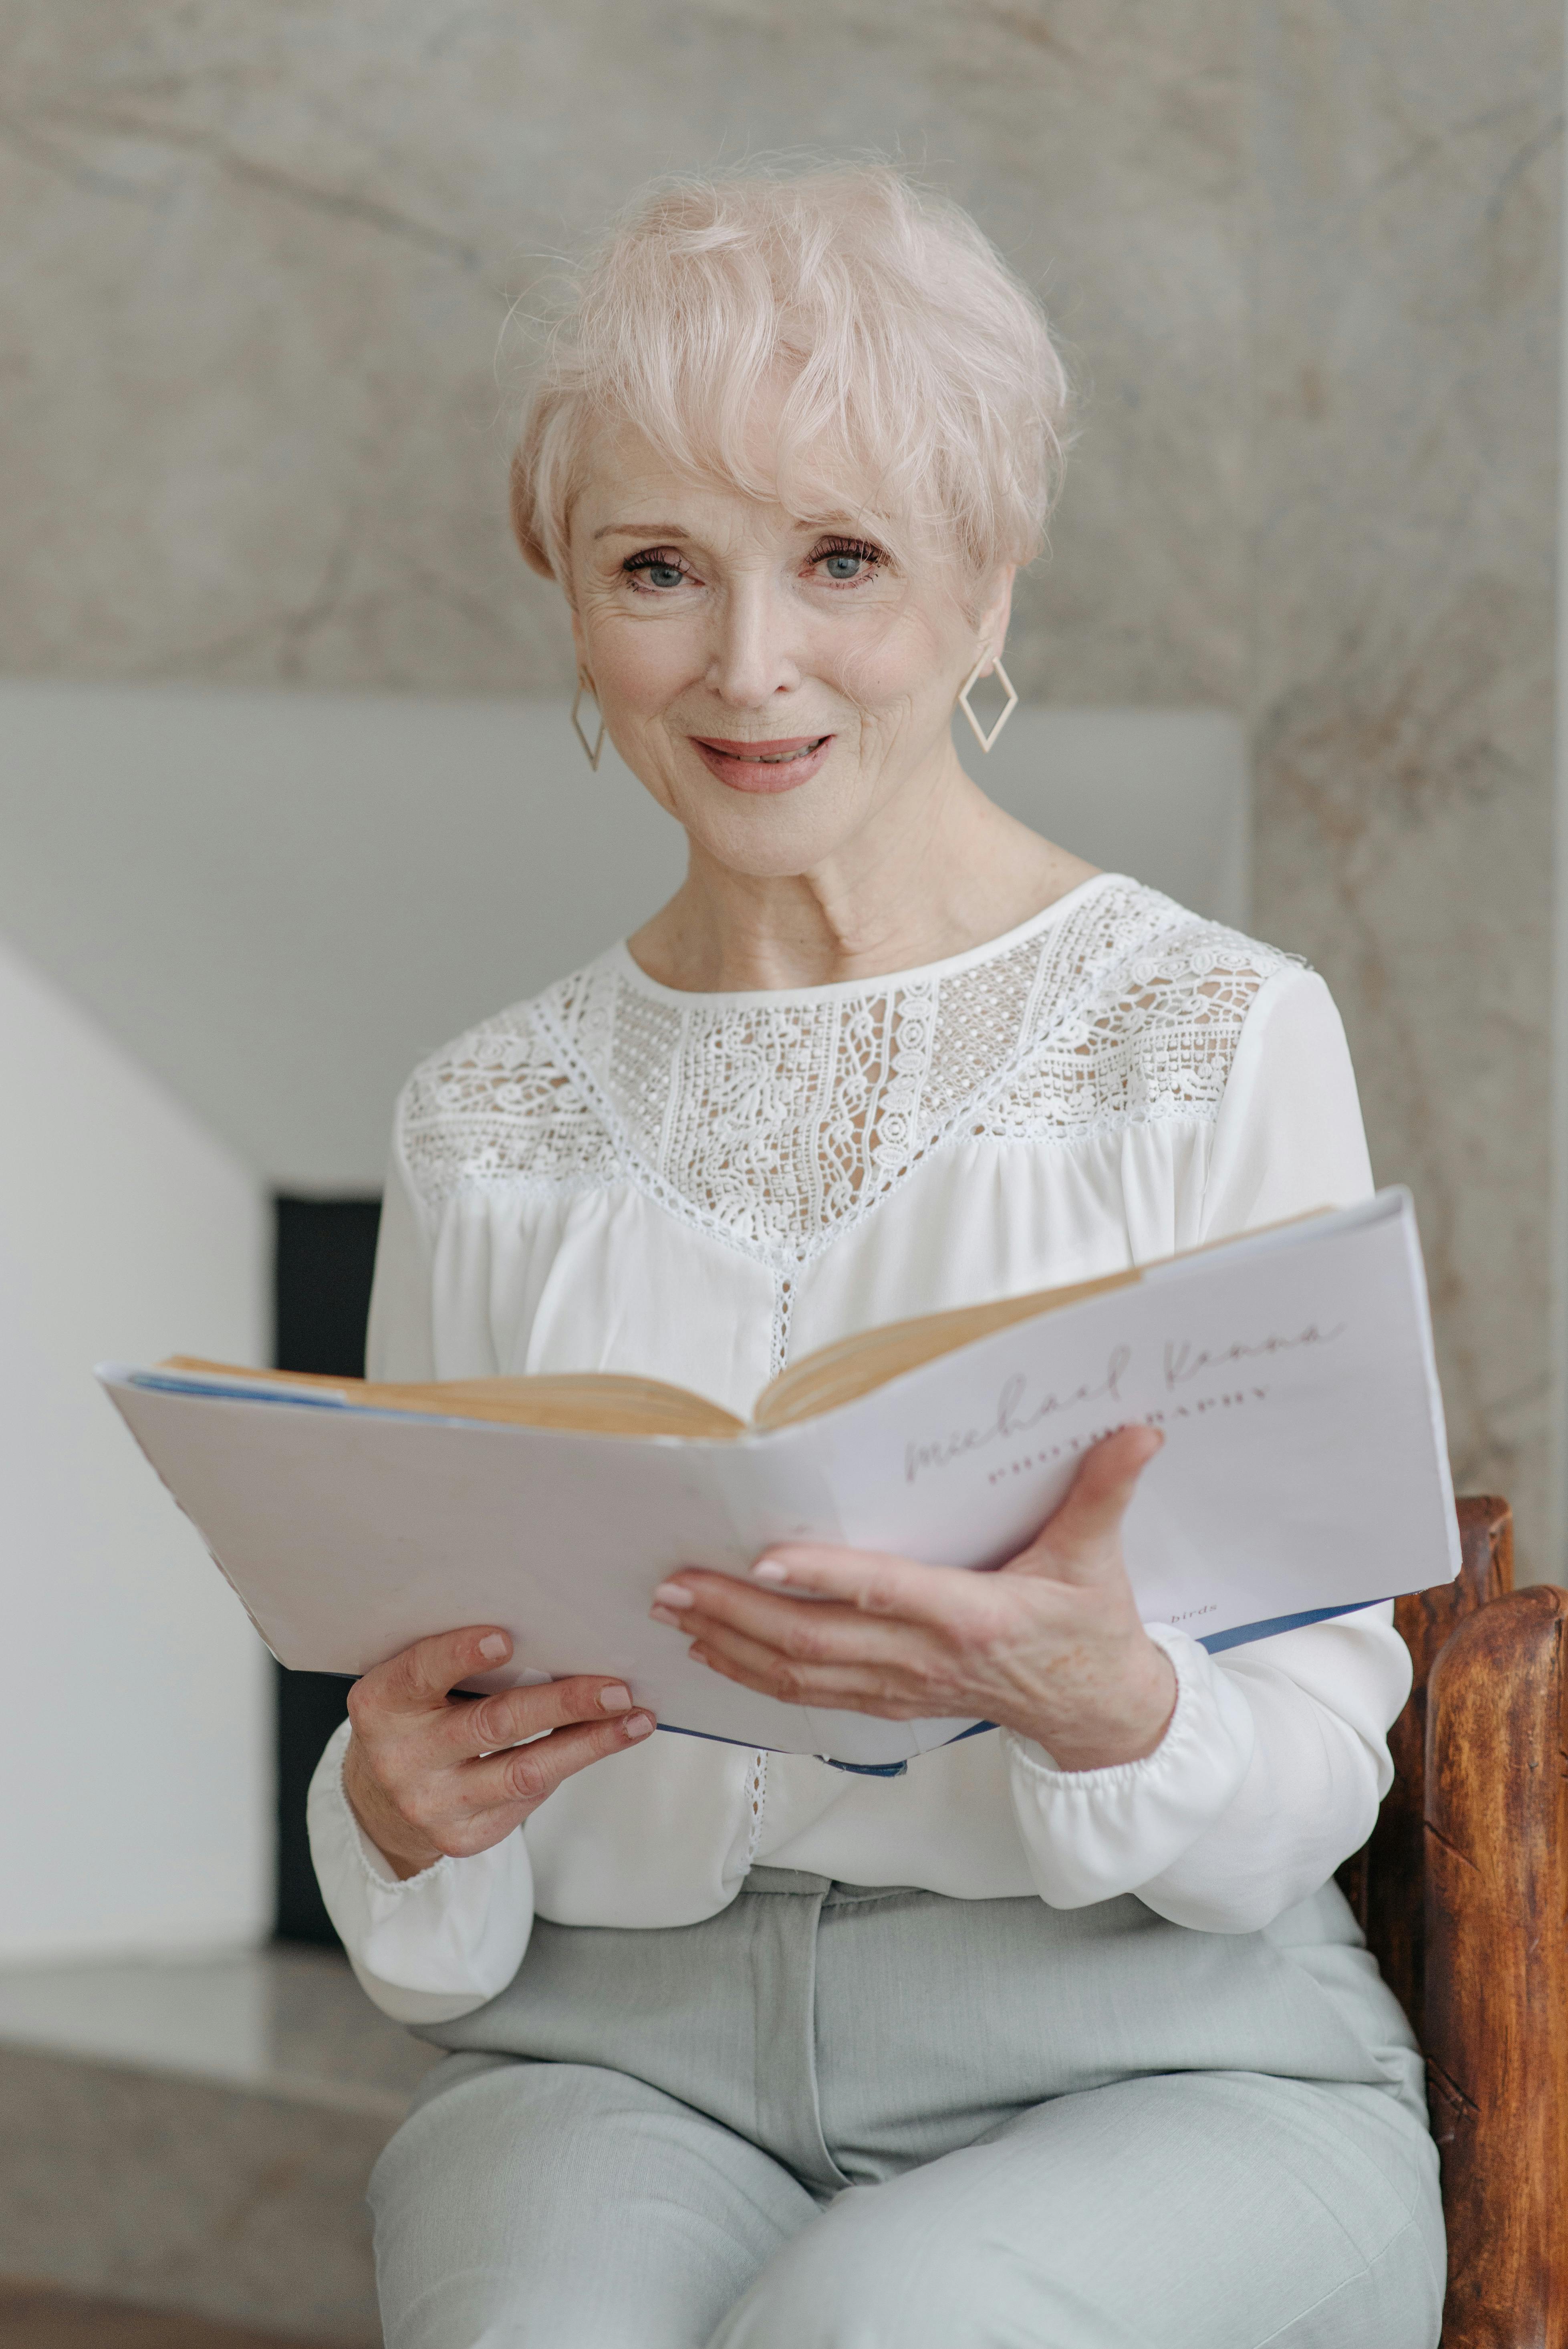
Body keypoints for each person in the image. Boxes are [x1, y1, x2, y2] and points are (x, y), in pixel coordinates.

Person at [307, 164, 1445, 2348]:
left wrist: (1120, 1709)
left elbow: (1323, 1739)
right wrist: (396, 1803)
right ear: (571, 597)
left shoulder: (1214, 1036)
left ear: (989, 585)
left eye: (844, 558)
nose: (749, 664)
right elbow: (426, 1710)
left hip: (1170, 2059)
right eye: (662, 568)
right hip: (613, 2056)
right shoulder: (484, 1116)